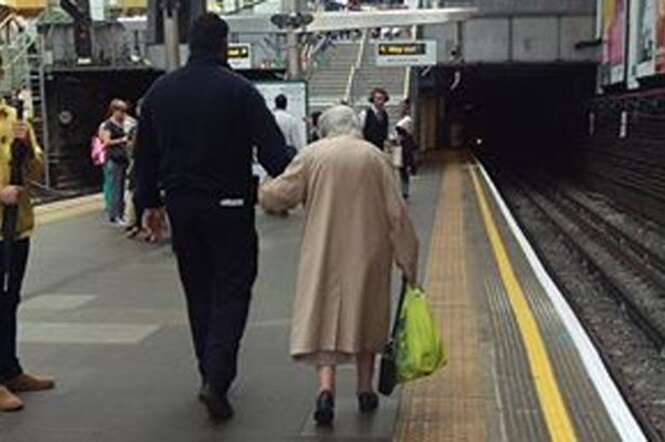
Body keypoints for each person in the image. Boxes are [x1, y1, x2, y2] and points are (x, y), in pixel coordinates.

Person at [134, 13, 292, 422]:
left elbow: (144, 156)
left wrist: (148, 204)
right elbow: (275, 155)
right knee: (233, 288)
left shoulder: (160, 91)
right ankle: (217, 379)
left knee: (198, 289)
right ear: (223, 44)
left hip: (181, 208)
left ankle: (208, 370)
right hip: (230, 207)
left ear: (189, 44)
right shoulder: (240, 91)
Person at [259, 106, 419, 426]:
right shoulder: (375, 157)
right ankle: (364, 389)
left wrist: (262, 189)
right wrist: (409, 261)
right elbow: (397, 214)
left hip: (323, 249)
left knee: (325, 317)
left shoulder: (312, 155)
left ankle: (325, 391)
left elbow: (279, 197)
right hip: (370, 252)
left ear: (325, 127)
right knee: (367, 315)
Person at [0, 97, 55, 413]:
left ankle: (10, 370)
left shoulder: (15, 119)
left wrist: (26, 151)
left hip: (17, 226)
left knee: (9, 299)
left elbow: (35, 172)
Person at [99, 99, 131, 226]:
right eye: (121, 111)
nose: (123, 114)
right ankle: (115, 215)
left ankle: (120, 214)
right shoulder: (108, 125)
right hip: (113, 159)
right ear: (114, 110)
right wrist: (122, 140)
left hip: (122, 159)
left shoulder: (122, 123)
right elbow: (106, 142)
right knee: (116, 188)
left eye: (124, 111)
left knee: (121, 187)